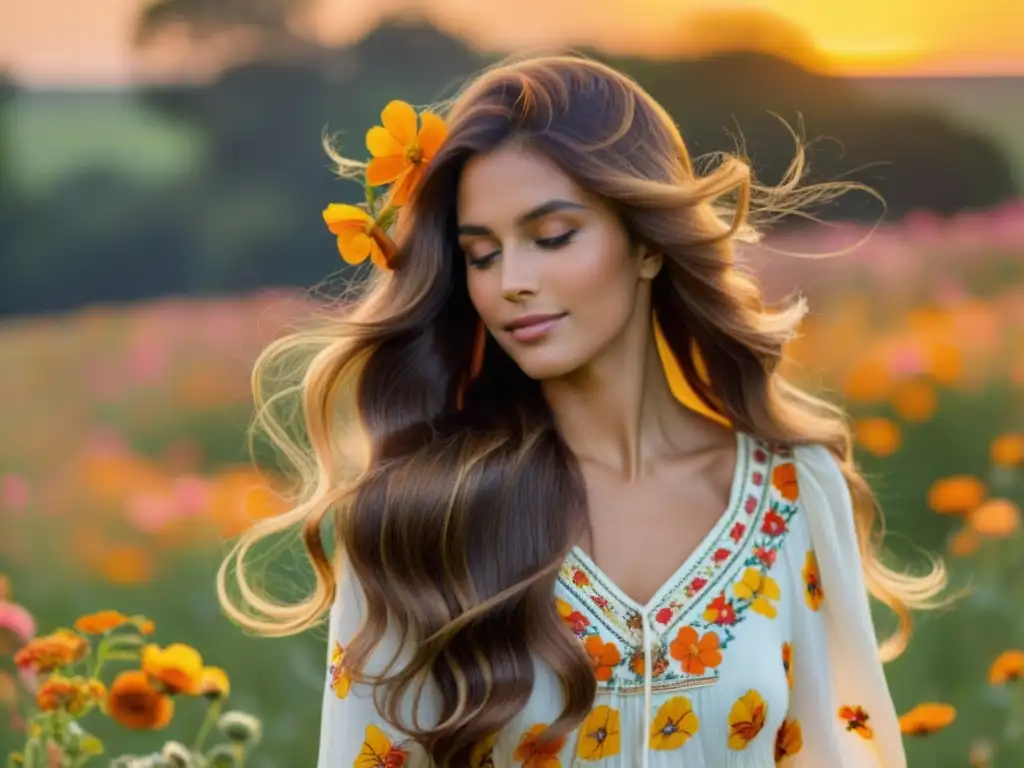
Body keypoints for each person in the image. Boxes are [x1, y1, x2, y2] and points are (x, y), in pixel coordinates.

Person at [218, 54, 945, 767]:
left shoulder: (792, 495)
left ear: (647, 247)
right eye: (482, 254)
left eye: (552, 237)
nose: (512, 282)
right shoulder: (420, 516)